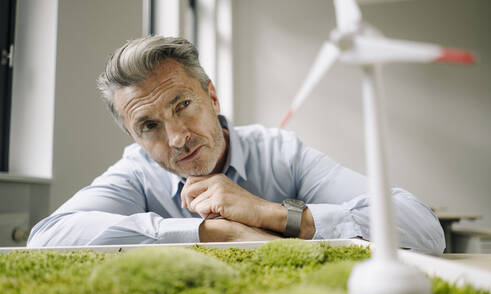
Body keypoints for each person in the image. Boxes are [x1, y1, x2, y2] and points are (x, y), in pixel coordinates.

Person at [27, 36, 445, 255]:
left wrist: (272, 214)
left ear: (212, 96)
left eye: (183, 105)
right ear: (134, 138)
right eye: (149, 126)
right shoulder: (137, 171)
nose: (176, 138)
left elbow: (423, 228)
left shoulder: (282, 153)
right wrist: (214, 232)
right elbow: (46, 237)